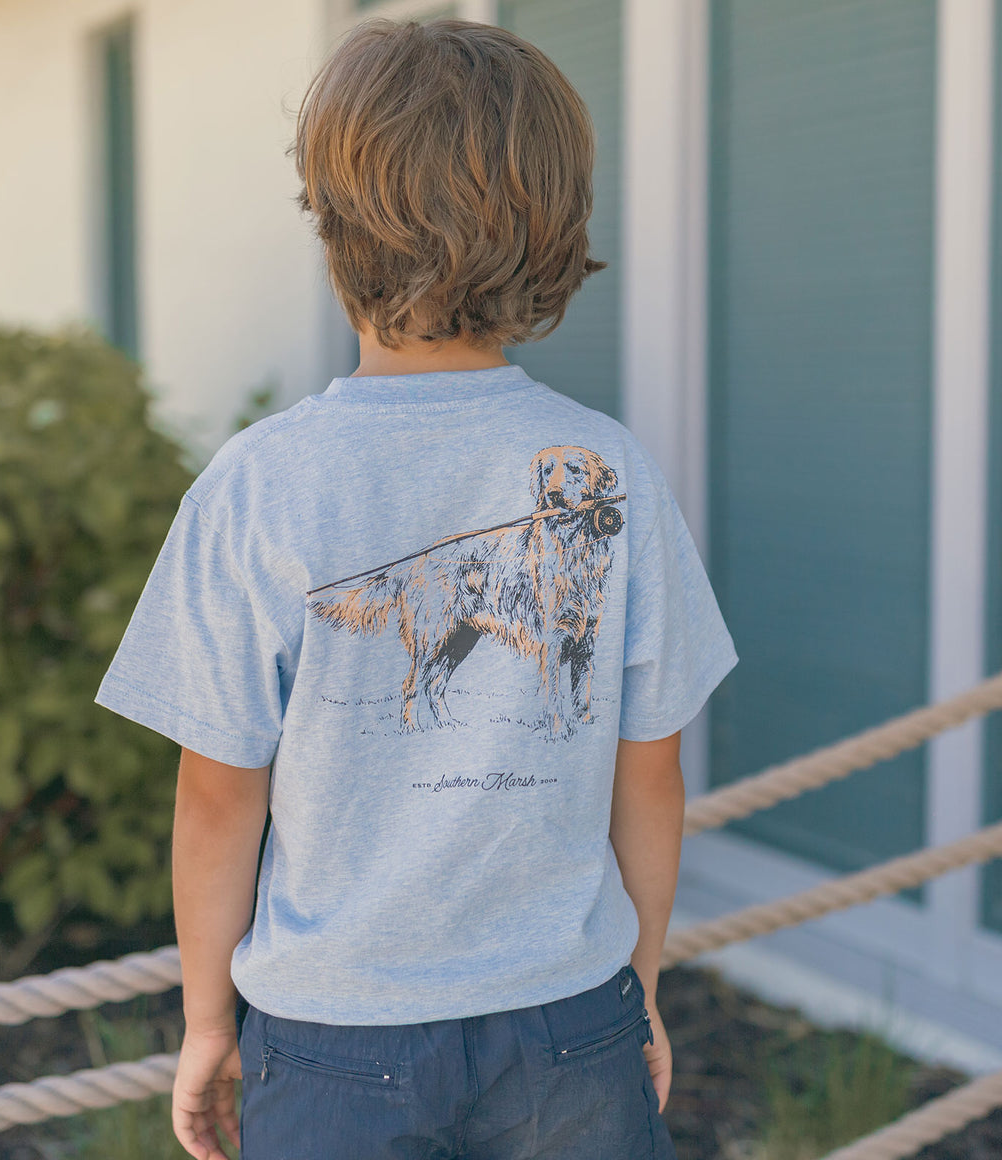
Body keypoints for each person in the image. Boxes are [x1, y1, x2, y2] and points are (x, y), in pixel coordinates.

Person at [95, 16, 738, 1160]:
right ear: (556, 224)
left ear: (331, 222)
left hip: (333, 1036)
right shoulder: (614, 471)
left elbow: (218, 795)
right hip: (570, 1021)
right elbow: (650, 767)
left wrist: (205, 1021)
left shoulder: (259, 480)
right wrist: (636, 981)